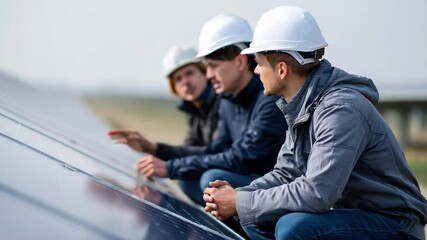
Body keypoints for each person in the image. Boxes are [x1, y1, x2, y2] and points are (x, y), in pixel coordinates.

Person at [203, 6, 427, 240]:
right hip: (353, 216)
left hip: (395, 225)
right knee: (256, 217)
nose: (256, 70)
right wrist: (238, 195)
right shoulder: (302, 104)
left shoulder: (340, 110)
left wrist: (239, 201)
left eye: (259, 62)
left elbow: (318, 193)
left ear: (281, 69)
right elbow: (286, 173)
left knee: (293, 227)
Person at [133, 13, 287, 207]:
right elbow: (216, 150)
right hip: (251, 184)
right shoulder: (227, 100)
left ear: (240, 62)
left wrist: (171, 167)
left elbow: (242, 157)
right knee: (188, 180)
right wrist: (163, 157)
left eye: (213, 66)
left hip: (277, 191)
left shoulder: (269, 99)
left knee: (212, 180)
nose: (209, 75)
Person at [109, 45, 220, 159]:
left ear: (205, 73)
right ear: (174, 87)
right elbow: (189, 152)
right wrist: (151, 160)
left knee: (210, 175)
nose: (185, 82)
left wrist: (153, 148)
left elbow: (216, 154)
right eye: (178, 78)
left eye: (189, 73)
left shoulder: (221, 103)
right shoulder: (193, 110)